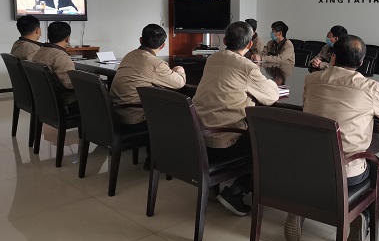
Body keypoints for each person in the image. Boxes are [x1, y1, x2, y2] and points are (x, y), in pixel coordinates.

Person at [285, 34, 379, 241]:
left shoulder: (312, 80)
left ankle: (302, 207)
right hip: (346, 173)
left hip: (307, 167)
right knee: (378, 170)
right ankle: (362, 216)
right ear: (361, 62)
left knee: (321, 164)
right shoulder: (368, 87)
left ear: (332, 57)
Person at [193, 21, 279, 216]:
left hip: (198, 137)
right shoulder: (247, 67)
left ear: (224, 41)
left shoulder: (212, 58)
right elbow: (271, 97)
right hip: (223, 143)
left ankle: (216, 186)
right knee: (268, 144)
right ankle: (236, 191)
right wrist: (270, 84)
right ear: (250, 44)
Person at [109, 24, 186, 167]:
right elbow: (179, 82)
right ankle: (159, 160)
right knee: (177, 113)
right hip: (133, 119)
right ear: (162, 46)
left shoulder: (129, 55)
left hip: (115, 113)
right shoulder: (154, 63)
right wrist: (179, 69)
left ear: (140, 40)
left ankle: (153, 157)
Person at [31, 21, 77, 106]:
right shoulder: (61, 56)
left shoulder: (40, 51)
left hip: (44, 98)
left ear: (48, 36)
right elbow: (70, 84)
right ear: (67, 38)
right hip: (62, 100)